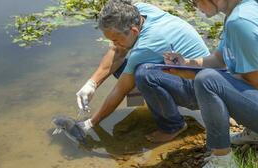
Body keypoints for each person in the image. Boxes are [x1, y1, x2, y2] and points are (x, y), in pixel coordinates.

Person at [163, 0, 258, 168]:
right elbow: (220, 59)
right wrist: (186, 63)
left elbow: (255, 82)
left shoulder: (240, 21)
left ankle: (222, 163)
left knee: (207, 81)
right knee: (209, 78)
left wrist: (201, 77)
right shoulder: (241, 10)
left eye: (194, 1)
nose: (194, 6)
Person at [76, 0, 210, 142]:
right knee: (125, 68)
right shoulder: (138, 11)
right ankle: (145, 107)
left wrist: (92, 122)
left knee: (143, 74)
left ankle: (172, 126)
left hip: (199, 91)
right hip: (186, 75)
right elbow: (116, 53)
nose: (114, 44)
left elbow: (119, 90)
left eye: (116, 39)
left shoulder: (147, 45)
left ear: (134, 31)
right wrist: (91, 84)